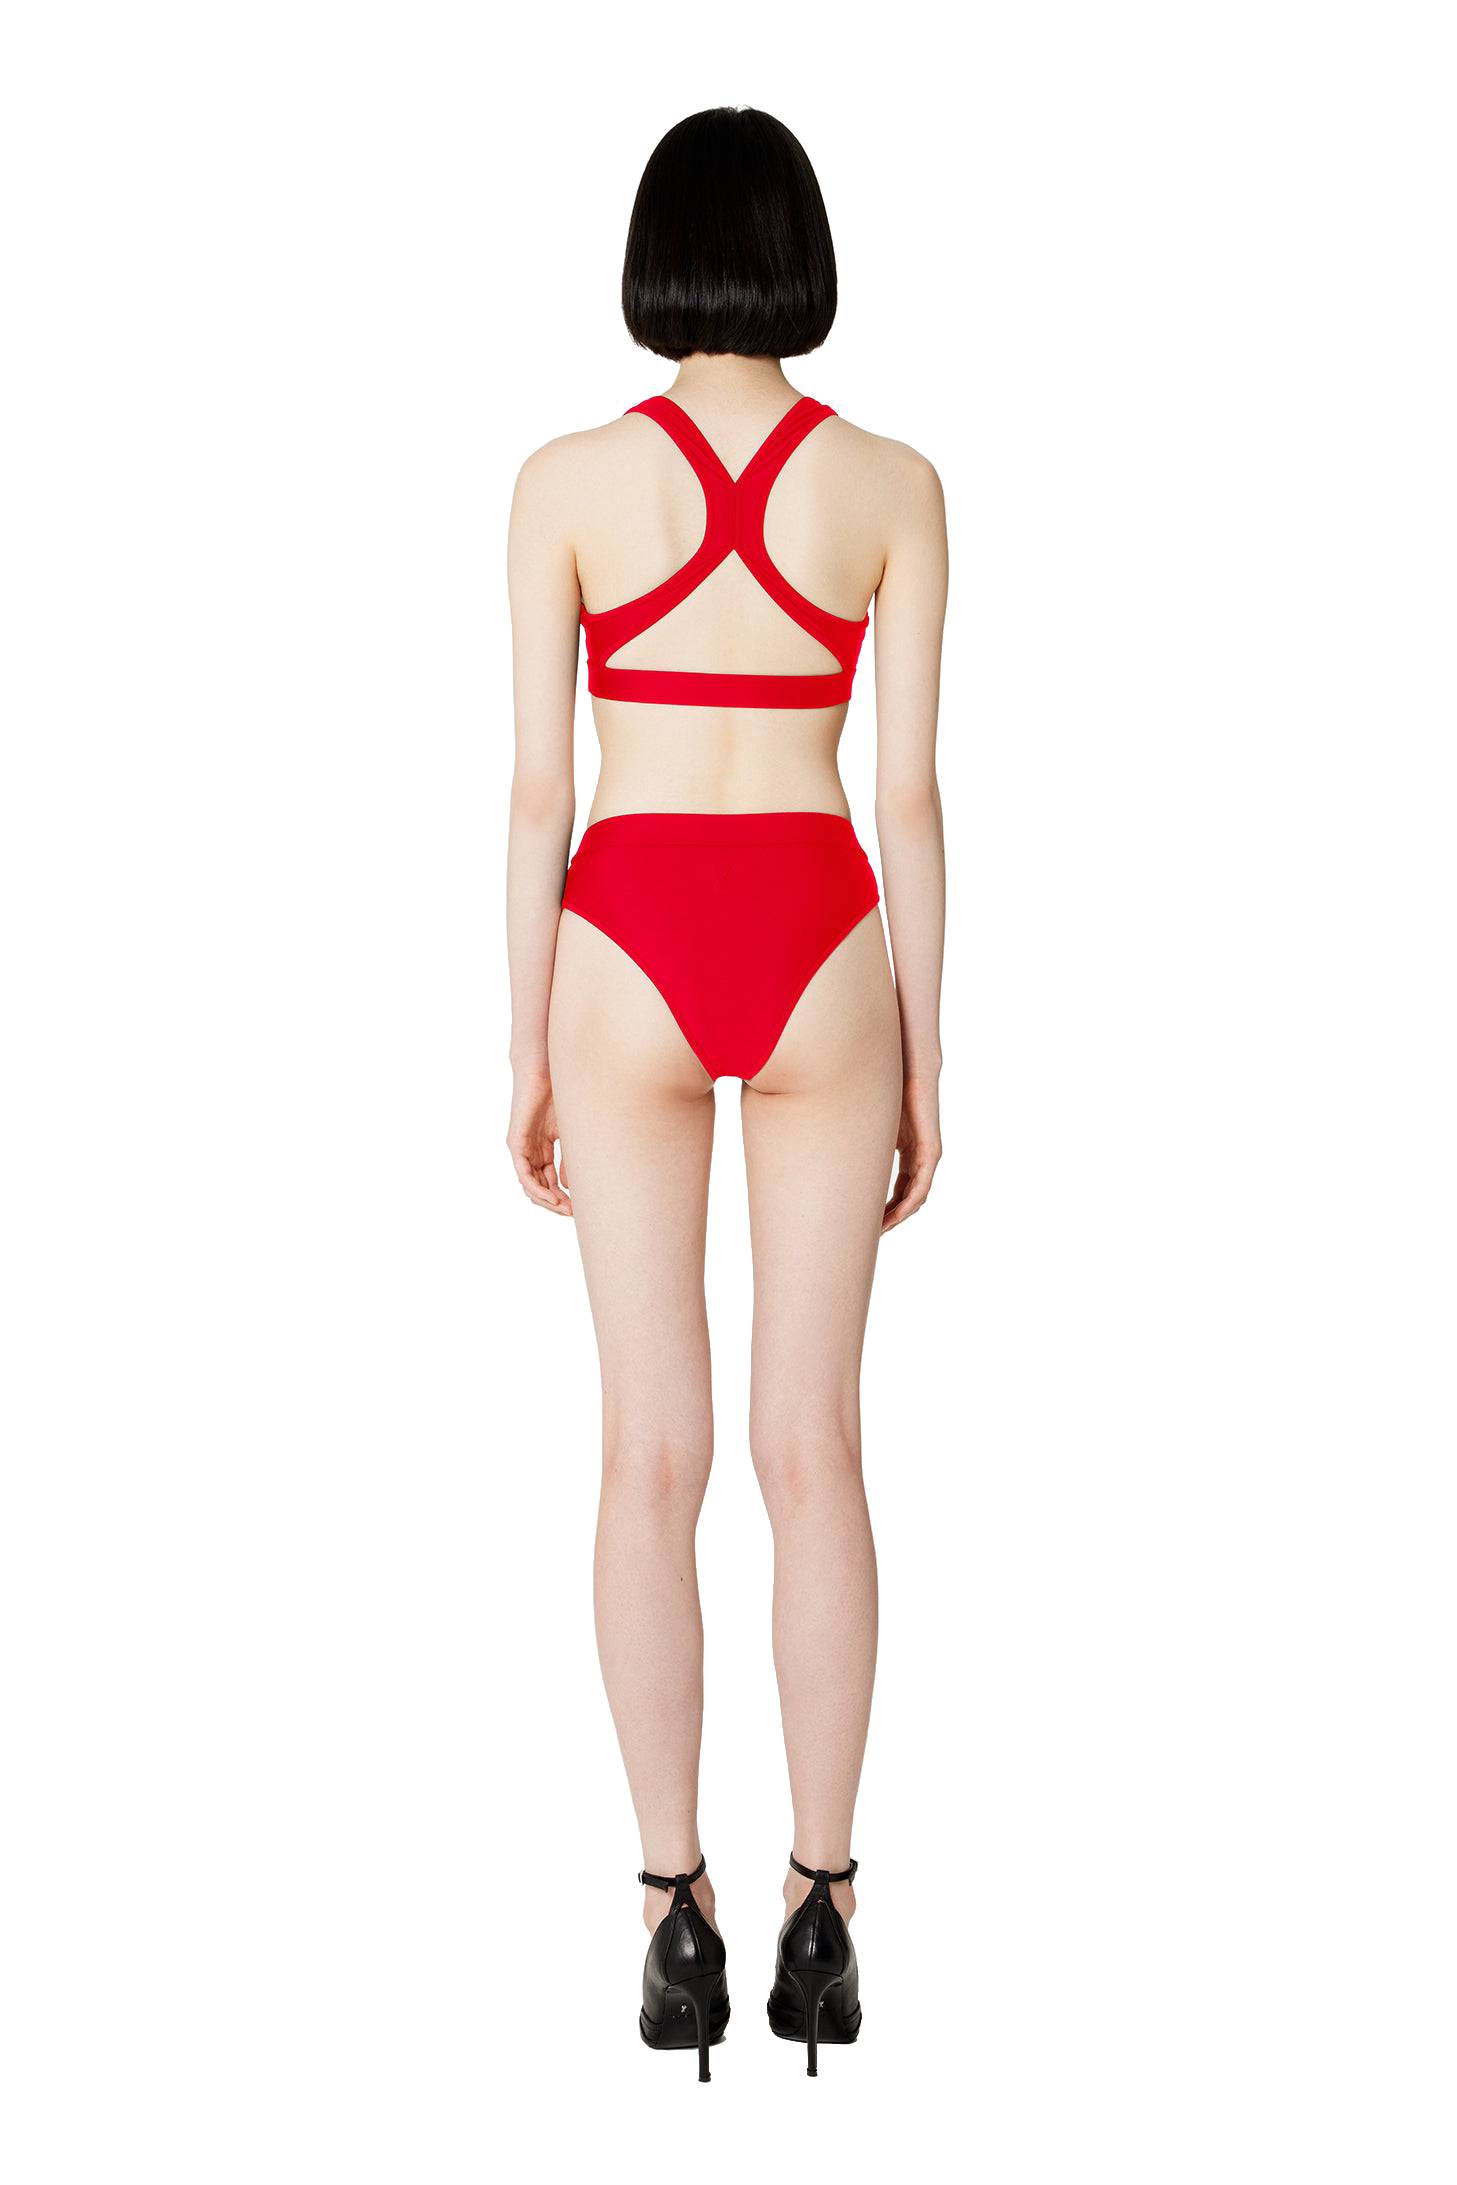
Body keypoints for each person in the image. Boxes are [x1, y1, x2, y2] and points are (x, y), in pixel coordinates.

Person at [506, 106, 947, 2080]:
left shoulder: (563, 483)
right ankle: (823, 1904)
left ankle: (670, 1905)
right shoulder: (894, 485)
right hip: (818, 931)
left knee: (648, 1453)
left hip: (624, 942)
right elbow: (908, 796)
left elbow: (539, 788)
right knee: (813, 1448)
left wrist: (527, 1041)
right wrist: (925, 1045)